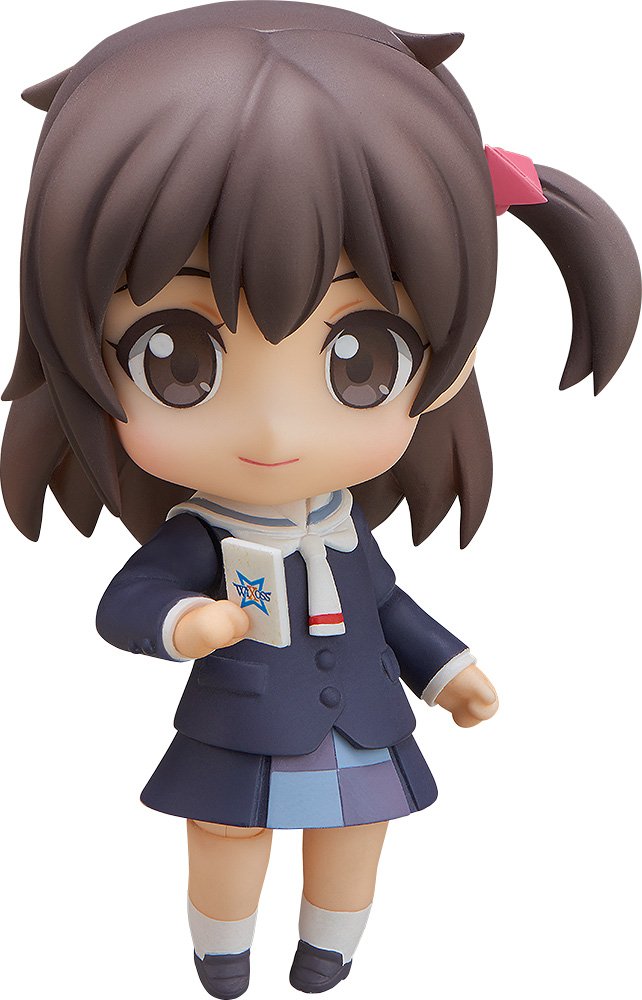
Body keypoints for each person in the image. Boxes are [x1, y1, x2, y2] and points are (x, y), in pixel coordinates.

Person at [2, 4, 639, 997]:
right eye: (176, 359)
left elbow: (390, 607)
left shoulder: (345, 530)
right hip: (241, 723)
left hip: (363, 719)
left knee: (359, 828)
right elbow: (126, 604)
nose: (273, 432)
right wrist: (189, 622)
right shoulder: (200, 535)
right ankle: (221, 949)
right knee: (228, 830)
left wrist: (450, 671)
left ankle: (329, 946)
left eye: (361, 358)